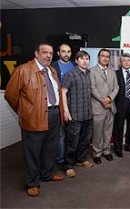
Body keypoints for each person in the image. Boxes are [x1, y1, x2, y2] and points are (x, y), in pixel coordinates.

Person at [5, 43, 64, 197]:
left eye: (51, 53)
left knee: (50, 149)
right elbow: (10, 95)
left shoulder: (52, 71)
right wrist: (25, 111)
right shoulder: (23, 70)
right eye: (45, 52)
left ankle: (47, 174)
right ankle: (32, 183)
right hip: (33, 118)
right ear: (36, 53)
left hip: (53, 115)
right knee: (32, 152)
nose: (48, 56)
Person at [62, 50, 94, 178]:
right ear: (76, 61)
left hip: (87, 114)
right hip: (74, 114)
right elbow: (63, 92)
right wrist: (65, 110)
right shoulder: (71, 74)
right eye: (82, 58)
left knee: (84, 140)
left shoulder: (88, 73)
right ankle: (68, 165)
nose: (85, 61)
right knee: (72, 142)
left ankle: (81, 160)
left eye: (87, 58)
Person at [90, 48, 119, 164]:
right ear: (98, 57)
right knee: (97, 132)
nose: (105, 58)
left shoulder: (112, 71)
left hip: (110, 106)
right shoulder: (92, 71)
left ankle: (106, 151)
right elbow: (92, 88)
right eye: (103, 56)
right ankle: (97, 153)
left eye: (107, 56)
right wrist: (103, 100)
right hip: (98, 106)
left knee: (108, 131)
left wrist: (110, 99)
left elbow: (116, 87)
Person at [51, 43, 76, 166]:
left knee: (72, 134)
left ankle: (70, 157)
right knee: (61, 135)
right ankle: (60, 160)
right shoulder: (52, 66)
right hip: (59, 105)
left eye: (69, 51)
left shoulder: (75, 65)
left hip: (74, 105)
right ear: (58, 53)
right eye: (63, 51)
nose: (66, 54)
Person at [113, 53, 130, 157]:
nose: (126, 62)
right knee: (119, 127)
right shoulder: (115, 73)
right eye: (124, 60)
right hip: (120, 104)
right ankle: (118, 148)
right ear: (121, 62)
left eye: (128, 60)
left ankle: (129, 146)